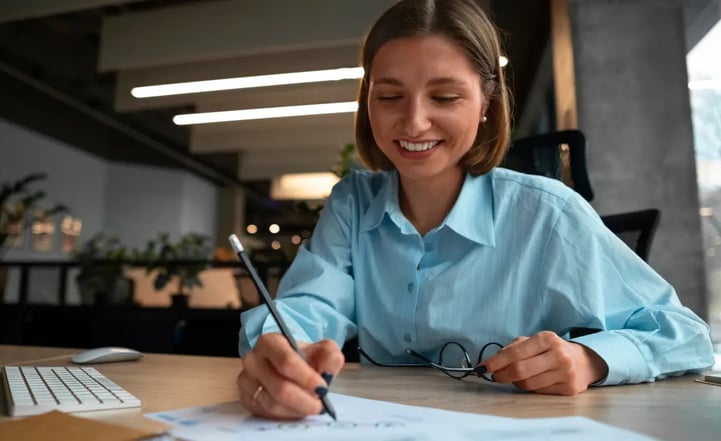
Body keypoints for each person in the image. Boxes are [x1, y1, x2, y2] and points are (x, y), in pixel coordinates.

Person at [236, 0, 715, 420]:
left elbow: (687, 335)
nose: (414, 122)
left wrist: (589, 359)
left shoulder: (549, 214)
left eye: (445, 97)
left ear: (486, 101)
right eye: (389, 97)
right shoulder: (353, 203)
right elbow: (312, 305)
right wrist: (281, 349)